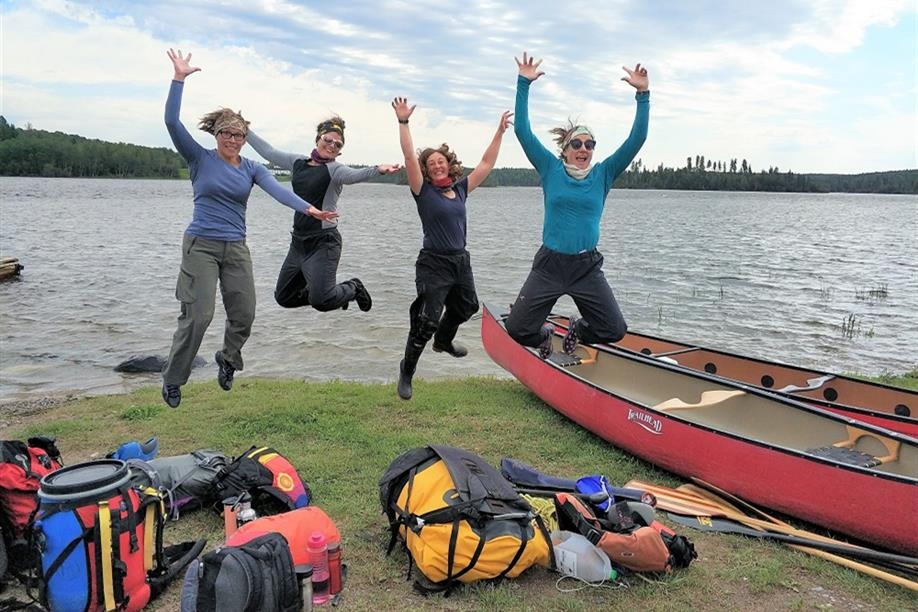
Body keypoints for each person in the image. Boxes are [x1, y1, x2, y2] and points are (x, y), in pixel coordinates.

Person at [160, 49, 338, 408]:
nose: (233, 139)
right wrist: (178, 79)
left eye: (239, 134)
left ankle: (228, 359)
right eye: (227, 133)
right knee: (200, 314)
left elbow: (278, 191)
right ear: (216, 134)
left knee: (245, 314)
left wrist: (310, 210)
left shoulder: (252, 168)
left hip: (236, 248)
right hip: (202, 246)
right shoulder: (199, 158)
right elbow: (172, 124)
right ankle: (174, 378)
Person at [505, 51, 649, 359]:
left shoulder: (603, 174)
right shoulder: (550, 168)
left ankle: (577, 328)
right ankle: (544, 335)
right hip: (550, 265)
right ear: (566, 149)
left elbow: (636, 140)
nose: (584, 149)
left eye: (590, 144)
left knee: (614, 329)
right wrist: (523, 84)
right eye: (577, 143)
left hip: (586, 267)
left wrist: (643, 94)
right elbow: (522, 131)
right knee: (517, 328)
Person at [391, 97, 512, 400]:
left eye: (439, 160)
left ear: (448, 162)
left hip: (460, 261)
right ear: (426, 170)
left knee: (467, 306)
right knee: (425, 321)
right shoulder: (422, 191)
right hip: (433, 263)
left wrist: (499, 132)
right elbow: (408, 156)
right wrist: (404, 123)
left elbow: (486, 164)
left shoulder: (459, 190)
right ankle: (407, 371)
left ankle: (443, 341)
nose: (436, 164)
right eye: (430, 163)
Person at [245, 120, 401, 313]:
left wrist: (378, 169)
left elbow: (355, 175)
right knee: (284, 297)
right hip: (298, 243)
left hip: (324, 242)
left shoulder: (336, 170)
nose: (332, 145)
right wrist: (246, 130)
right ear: (318, 139)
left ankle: (353, 288)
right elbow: (268, 152)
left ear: (340, 151)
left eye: (338, 144)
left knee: (321, 301)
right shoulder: (298, 162)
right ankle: (331, 294)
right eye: (328, 139)